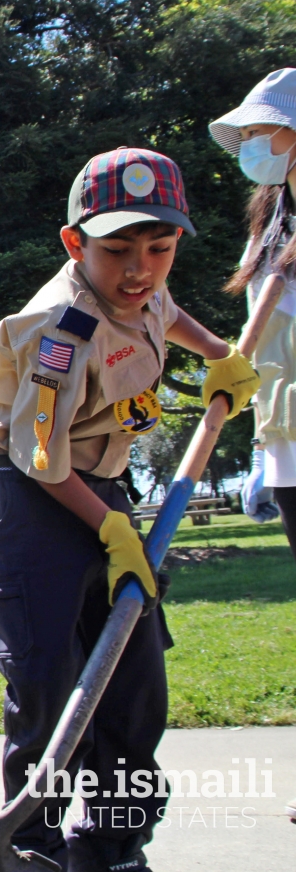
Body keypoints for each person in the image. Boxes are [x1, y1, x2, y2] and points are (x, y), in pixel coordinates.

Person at [0, 147, 260, 870]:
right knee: (48, 684)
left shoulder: (145, 288)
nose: (139, 270)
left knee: (132, 689)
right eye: (117, 251)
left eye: (159, 248)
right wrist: (108, 528)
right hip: (25, 492)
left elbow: (166, 309)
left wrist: (219, 352)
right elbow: (40, 457)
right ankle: (29, 848)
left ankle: (113, 849)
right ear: (75, 244)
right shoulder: (60, 332)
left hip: (102, 490)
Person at [208, 67, 296, 824]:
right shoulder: (273, 219)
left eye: (269, 131)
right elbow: (266, 335)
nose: (257, 145)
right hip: (289, 439)